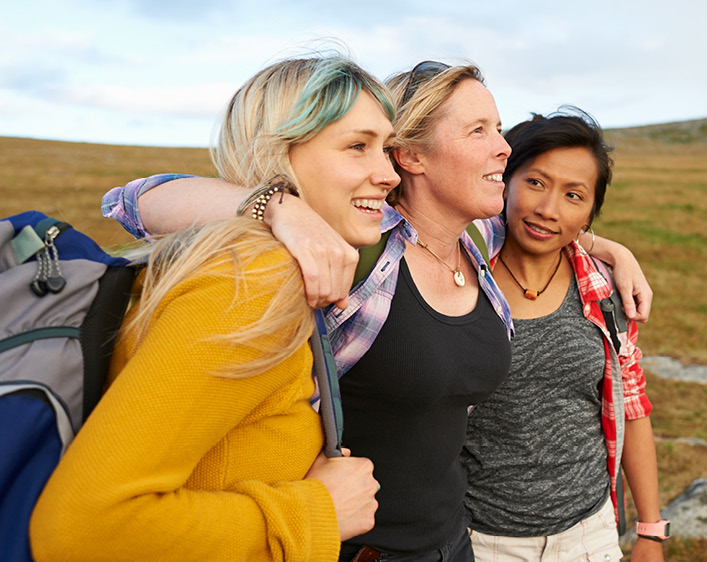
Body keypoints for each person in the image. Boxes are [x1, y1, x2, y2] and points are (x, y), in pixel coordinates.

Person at [99, 60, 652, 561]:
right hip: (355, 546)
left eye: (498, 127)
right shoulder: (356, 246)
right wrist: (280, 208)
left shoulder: (475, 238)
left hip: (450, 539)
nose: (505, 147)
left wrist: (608, 249)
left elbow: (543, 222)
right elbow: (132, 201)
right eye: (478, 130)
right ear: (412, 156)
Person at [29, 54, 395, 562]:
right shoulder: (252, 281)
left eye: (387, 149)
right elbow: (82, 526)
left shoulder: (256, 263)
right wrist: (317, 512)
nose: (388, 173)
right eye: (358, 146)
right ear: (278, 152)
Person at [461, 109, 666, 561]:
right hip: (478, 540)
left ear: (590, 212)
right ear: (504, 180)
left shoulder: (604, 288)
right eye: (536, 182)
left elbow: (632, 406)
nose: (548, 209)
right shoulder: (457, 274)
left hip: (591, 536)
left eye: (574, 195)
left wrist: (651, 532)